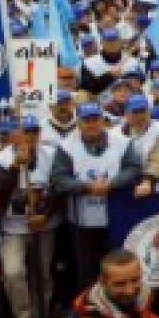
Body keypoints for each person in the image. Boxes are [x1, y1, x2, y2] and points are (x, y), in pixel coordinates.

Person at [51, 102, 141, 291]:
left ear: (103, 120)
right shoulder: (66, 146)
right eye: (86, 120)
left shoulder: (122, 142)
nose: (91, 124)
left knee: (119, 268)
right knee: (87, 271)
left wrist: (112, 184)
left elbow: (134, 169)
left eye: (95, 119)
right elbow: (59, 179)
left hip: (117, 217)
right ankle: (91, 311)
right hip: (82, 221)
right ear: (79, 122)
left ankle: (121, 306)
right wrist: (86, 187)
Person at [0, 114, 59, 318]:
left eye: (34, 131)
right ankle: (23, 315)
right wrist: (15, 166)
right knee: (13, 272)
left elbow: (60, 189)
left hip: (43, 224)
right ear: (14, 134)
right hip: (13, 227)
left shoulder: (52, 154)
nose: (29, 136)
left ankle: (42, 314)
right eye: (25, 131)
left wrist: (45, 214)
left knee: (43, 272)